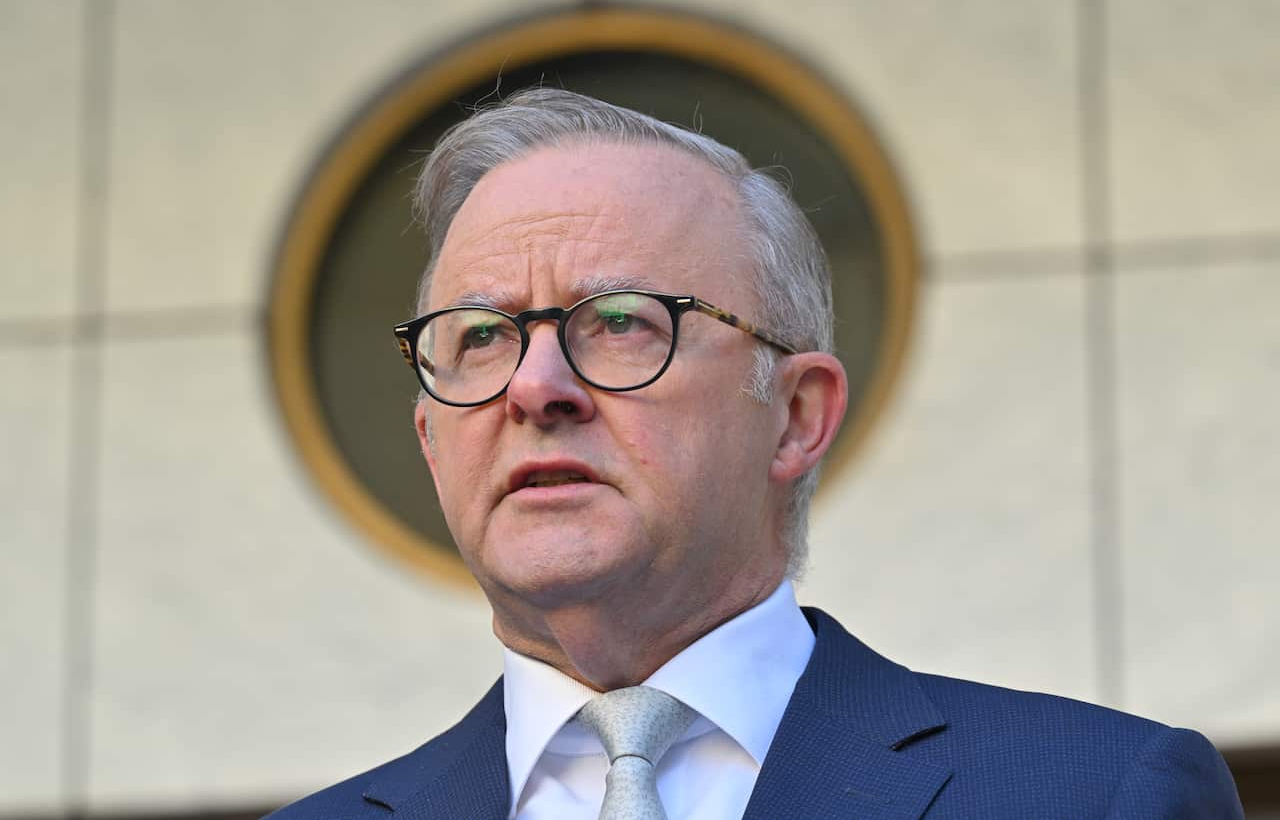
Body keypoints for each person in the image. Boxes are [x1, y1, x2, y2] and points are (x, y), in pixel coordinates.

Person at [270, 88, 1243, 819]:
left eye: (616, 321)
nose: (533, 386)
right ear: (431, 441)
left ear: (795, 416)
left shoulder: (1097, 796)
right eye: (480, 336)